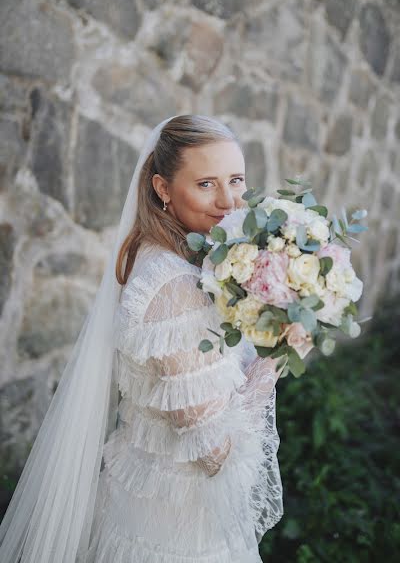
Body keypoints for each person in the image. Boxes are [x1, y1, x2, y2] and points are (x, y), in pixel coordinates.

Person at [0, 114, 284, 563]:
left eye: (236, 179)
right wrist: (277, 357)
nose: (230, 200)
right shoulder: (174, 289)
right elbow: (215, 457)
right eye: (206, 184)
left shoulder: (171, 258)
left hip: (144, 507)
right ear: (163, 188)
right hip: (174, 533)